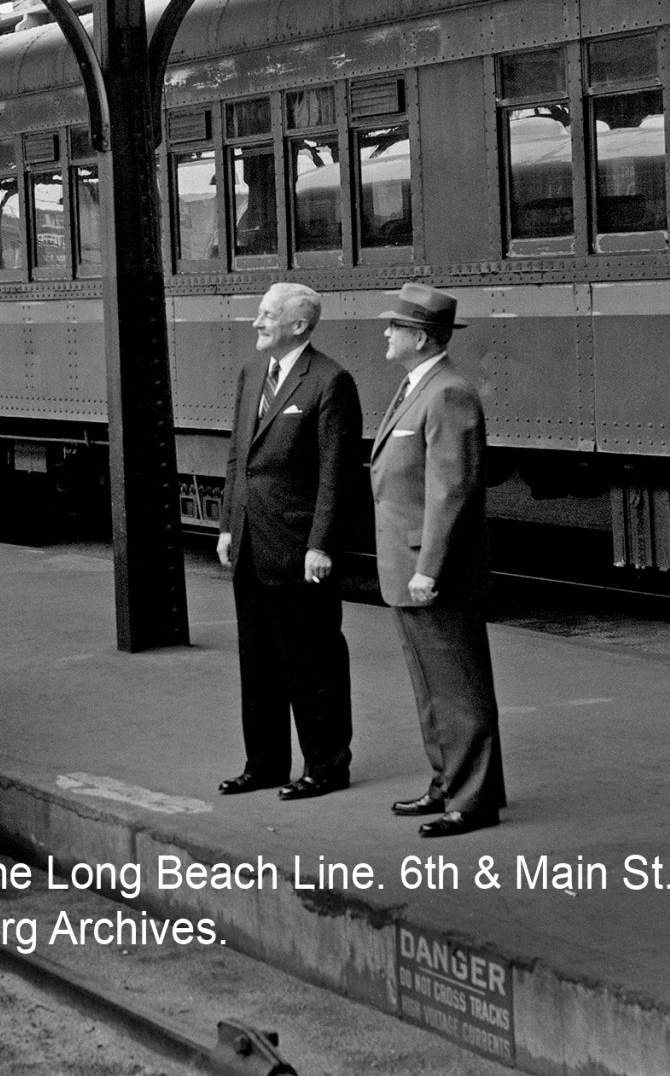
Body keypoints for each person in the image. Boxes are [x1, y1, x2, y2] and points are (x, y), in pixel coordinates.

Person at [369, 284, 506, 838]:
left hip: (430, 568)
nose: (386, 332)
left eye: (395, 326)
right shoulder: (417, 387)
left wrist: (430, 566)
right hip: (407, 565)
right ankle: (446, 781)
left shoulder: (448, 394)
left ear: (420, 337)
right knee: (430, 685)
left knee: (459, 687)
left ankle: (473, 799)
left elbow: (451, 489)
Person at [216, 282, 361, 802]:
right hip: (252, 542)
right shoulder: (252, 373)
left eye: (266, 315)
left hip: (300, 550)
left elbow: (335, 474)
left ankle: (326, 766)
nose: (256, 323)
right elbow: (239, 457)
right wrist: (229, 526)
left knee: (313, 661)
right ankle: (266, 763)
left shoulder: (329, 381)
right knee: (257, 664)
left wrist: (320, 544)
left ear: (298, 325)